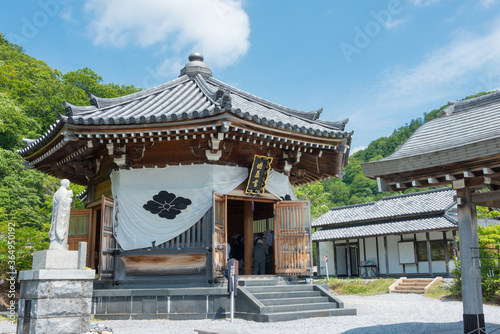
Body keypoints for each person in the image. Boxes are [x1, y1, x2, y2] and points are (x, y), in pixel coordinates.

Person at [49, 179, 73, 250]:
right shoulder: (63, 192)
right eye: (68, 184)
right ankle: (59, 243)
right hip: (60, 217)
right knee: (60, 226)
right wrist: (69, 200)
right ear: (65, 184)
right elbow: (63, 206)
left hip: (56, 217)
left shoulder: (57, 192)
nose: (68, 185)